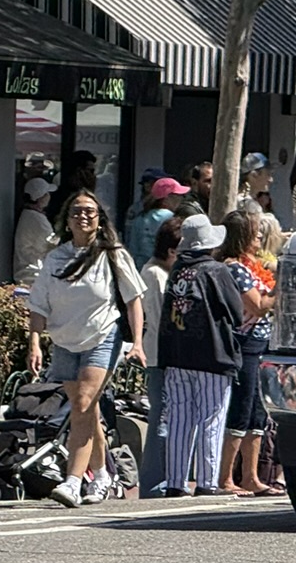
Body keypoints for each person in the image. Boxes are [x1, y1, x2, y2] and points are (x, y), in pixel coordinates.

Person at [26, 188, 147, 508]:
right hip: (64, 340)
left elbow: (133, 299)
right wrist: (35, 342)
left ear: (99, 219)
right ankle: (103, 474)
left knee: (81, 403)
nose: (83, 216)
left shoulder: (112, 254)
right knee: (87, 410)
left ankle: (73, 480)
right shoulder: (55, 258)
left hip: (102, 336)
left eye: (90, 212)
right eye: (76, 211)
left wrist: (137, 342)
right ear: (67, 220)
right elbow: (38, 304)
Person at [160, 214, 244, 496]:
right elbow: (236, 312)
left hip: (176, 354)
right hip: (212, 354)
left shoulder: (177, 270)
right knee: (211, 417)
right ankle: (207, 482)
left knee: (179, 418)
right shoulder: (216, 271)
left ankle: (176, 482)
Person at [214, 208, 278, 496]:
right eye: (254, 234)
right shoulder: (233, 268)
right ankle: (226, 477)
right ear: (241, 237)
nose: (259, 239)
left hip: (261, 344)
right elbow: (257, 305)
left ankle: (251, 476)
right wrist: (280, 289)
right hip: (244, 344)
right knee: (241, 409)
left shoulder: (250, 266)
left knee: (257, 412)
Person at [137, 218, 179, 494]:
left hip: (168, 355)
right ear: (171, 250)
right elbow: (159, 316)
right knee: (160, 418)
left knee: (167, 416)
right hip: (159, 356)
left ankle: (165, 478)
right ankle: (154, 483)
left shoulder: (166, 273)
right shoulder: (154, 274)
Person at [127, 175, 188, 262]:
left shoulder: (139, 219)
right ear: (166, 198)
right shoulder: (171, 219)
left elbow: (133, 250)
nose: (181, 199)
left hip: (141, 267)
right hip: (164, 266)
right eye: (178, 196)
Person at [14, 177, 56, 286]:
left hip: (28, 274)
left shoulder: (29, 215)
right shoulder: (37, 219)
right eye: (46, 194)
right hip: (33, 276)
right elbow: (52, 244)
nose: (49, 196)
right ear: (40, 198)